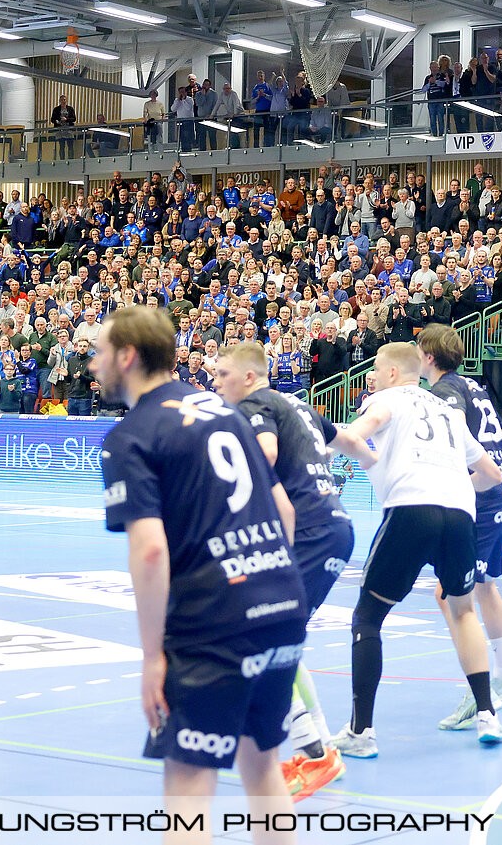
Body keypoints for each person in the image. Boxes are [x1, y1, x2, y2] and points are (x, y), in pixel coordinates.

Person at [95, 306, 305, 845]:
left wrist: (151, 655)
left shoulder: (132, 435)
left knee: (188, 788)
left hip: (213, 623)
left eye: (99, 352)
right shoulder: (224, 409)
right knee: (263, 768)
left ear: (127, 356)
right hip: (281, 601)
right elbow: (283, 511)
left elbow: (148, 552)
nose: (91, 364)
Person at [325, 343, 502, 757]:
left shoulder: (385, 399)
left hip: (411, 508)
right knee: (463, 611)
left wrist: (356, 455)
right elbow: (492, 474)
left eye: (374, 368)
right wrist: (455, 487)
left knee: (368, 616)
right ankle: (486, 714)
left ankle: (361, 731)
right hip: (459, 514)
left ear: (391, 373)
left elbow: (357, 436)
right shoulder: (446, 409)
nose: (370, 375)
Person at [212, 342, 352, 800]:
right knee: (278, 641)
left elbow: (266, 454)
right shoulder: (295, 403)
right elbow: (345, 440)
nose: (216, 383)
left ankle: (317, 754)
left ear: (249, 377)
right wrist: (373, 461)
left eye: (223, 374)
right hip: (331, 526)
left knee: (260, 636)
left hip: (311, 532)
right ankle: (320, 749)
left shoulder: (256, 404)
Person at [416, 324, 502, 730]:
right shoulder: (476, 385)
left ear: (428, 355)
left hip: (482, 500)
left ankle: (478, 691)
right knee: (486, 586)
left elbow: (456, 431)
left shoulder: (445, 392)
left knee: (448, 594)